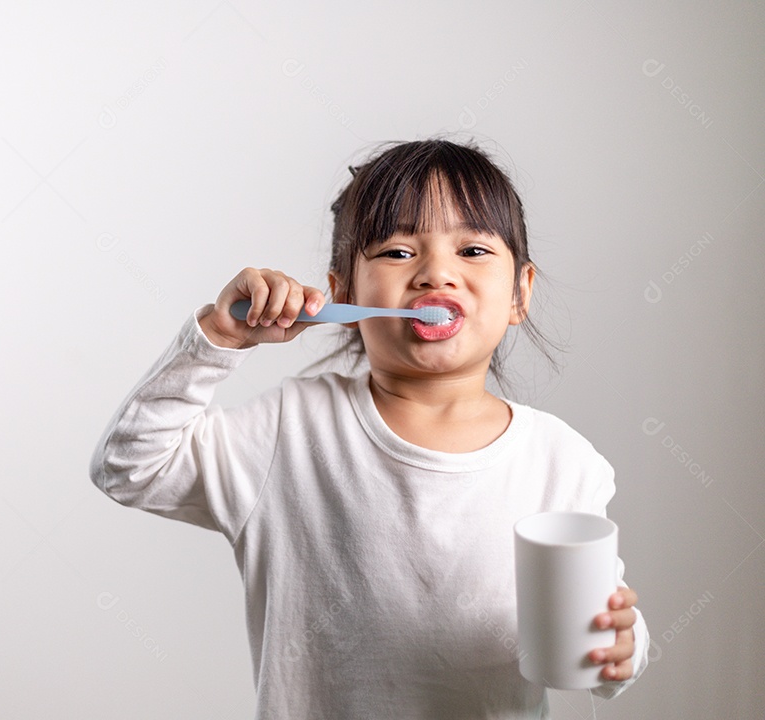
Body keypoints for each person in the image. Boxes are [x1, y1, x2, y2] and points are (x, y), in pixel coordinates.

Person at [89, 138, 649, 718]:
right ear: (342, 296)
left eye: (474, 250)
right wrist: (219, 337)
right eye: (399, 252)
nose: (437, 274)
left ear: (520, 293)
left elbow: (603, 646)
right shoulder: (291, 430)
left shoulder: (562, 461)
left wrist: (619, 649)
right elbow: (129, 468)